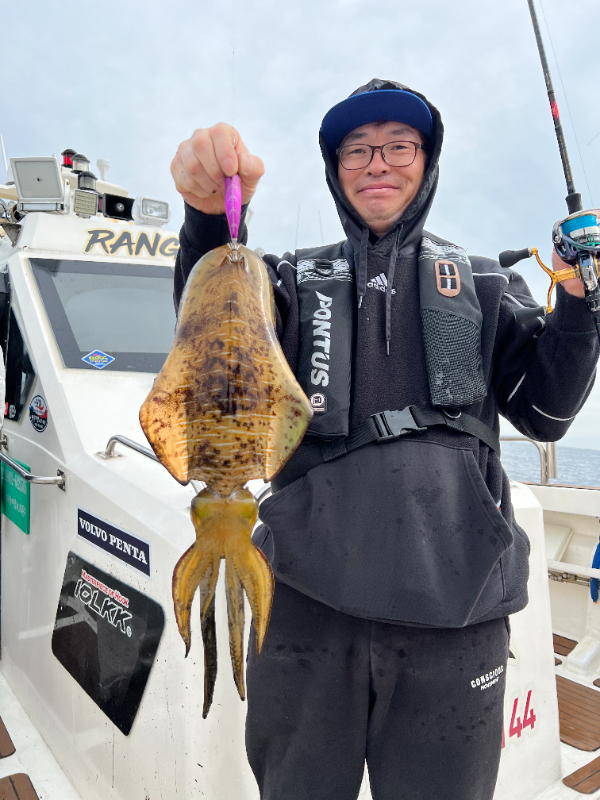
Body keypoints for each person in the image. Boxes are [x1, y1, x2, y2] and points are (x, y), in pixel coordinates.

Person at [170, 79, 599, 800]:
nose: (377, 163)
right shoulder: (288, 281)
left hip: (458, 610)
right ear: (334, 168)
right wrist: (209, 219)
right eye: (357, 150)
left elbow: (546, 414)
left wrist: (582, 302)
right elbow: (214, 327)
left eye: (399, 146)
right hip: (304, 604)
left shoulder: (485, 282)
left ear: (427, 162)